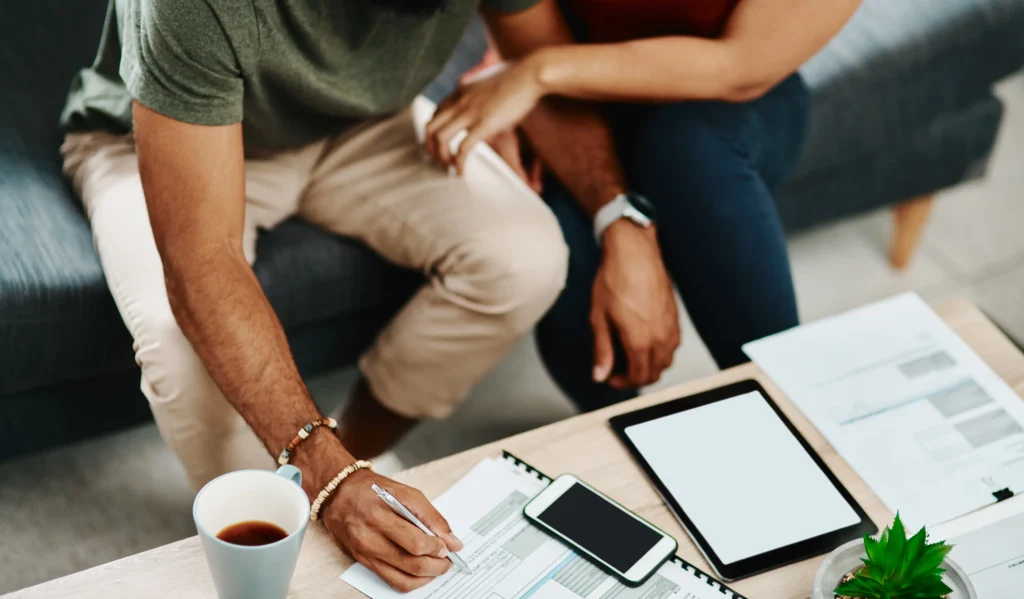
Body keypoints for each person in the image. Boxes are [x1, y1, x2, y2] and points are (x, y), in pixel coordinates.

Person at [60, 0, 635, 590]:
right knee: (179, 346)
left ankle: (355, 460)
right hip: (162, 138)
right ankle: (292, 520)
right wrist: (324, 477)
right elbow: (201, 262)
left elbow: (540, 53)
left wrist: (623, 221)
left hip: (361, 126)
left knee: (527, 257)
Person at [427, 0, 860, 410]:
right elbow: (525, 34)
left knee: (687, 148)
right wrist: (619, 222)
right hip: (579, 90)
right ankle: (621, 441)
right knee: (560, 246)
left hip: (727, 106)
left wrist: (534, 74)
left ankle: (791, 409)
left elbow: (741, 66)